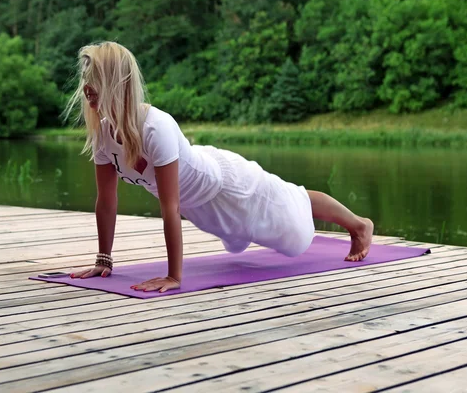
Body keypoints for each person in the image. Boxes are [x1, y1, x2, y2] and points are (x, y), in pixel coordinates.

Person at [66, 42, 374, 293]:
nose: (86, 89)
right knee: (266, 219)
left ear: (115, 83)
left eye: (93, 81)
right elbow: (106, 201)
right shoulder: (103, 135)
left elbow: (169, 206)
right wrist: (103, 260)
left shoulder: (155, 127)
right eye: (86, 83)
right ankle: (307, 206)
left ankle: (360, 225)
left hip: (228, 185)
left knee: (296, 235)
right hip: (200, 206)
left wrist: (174, 276)